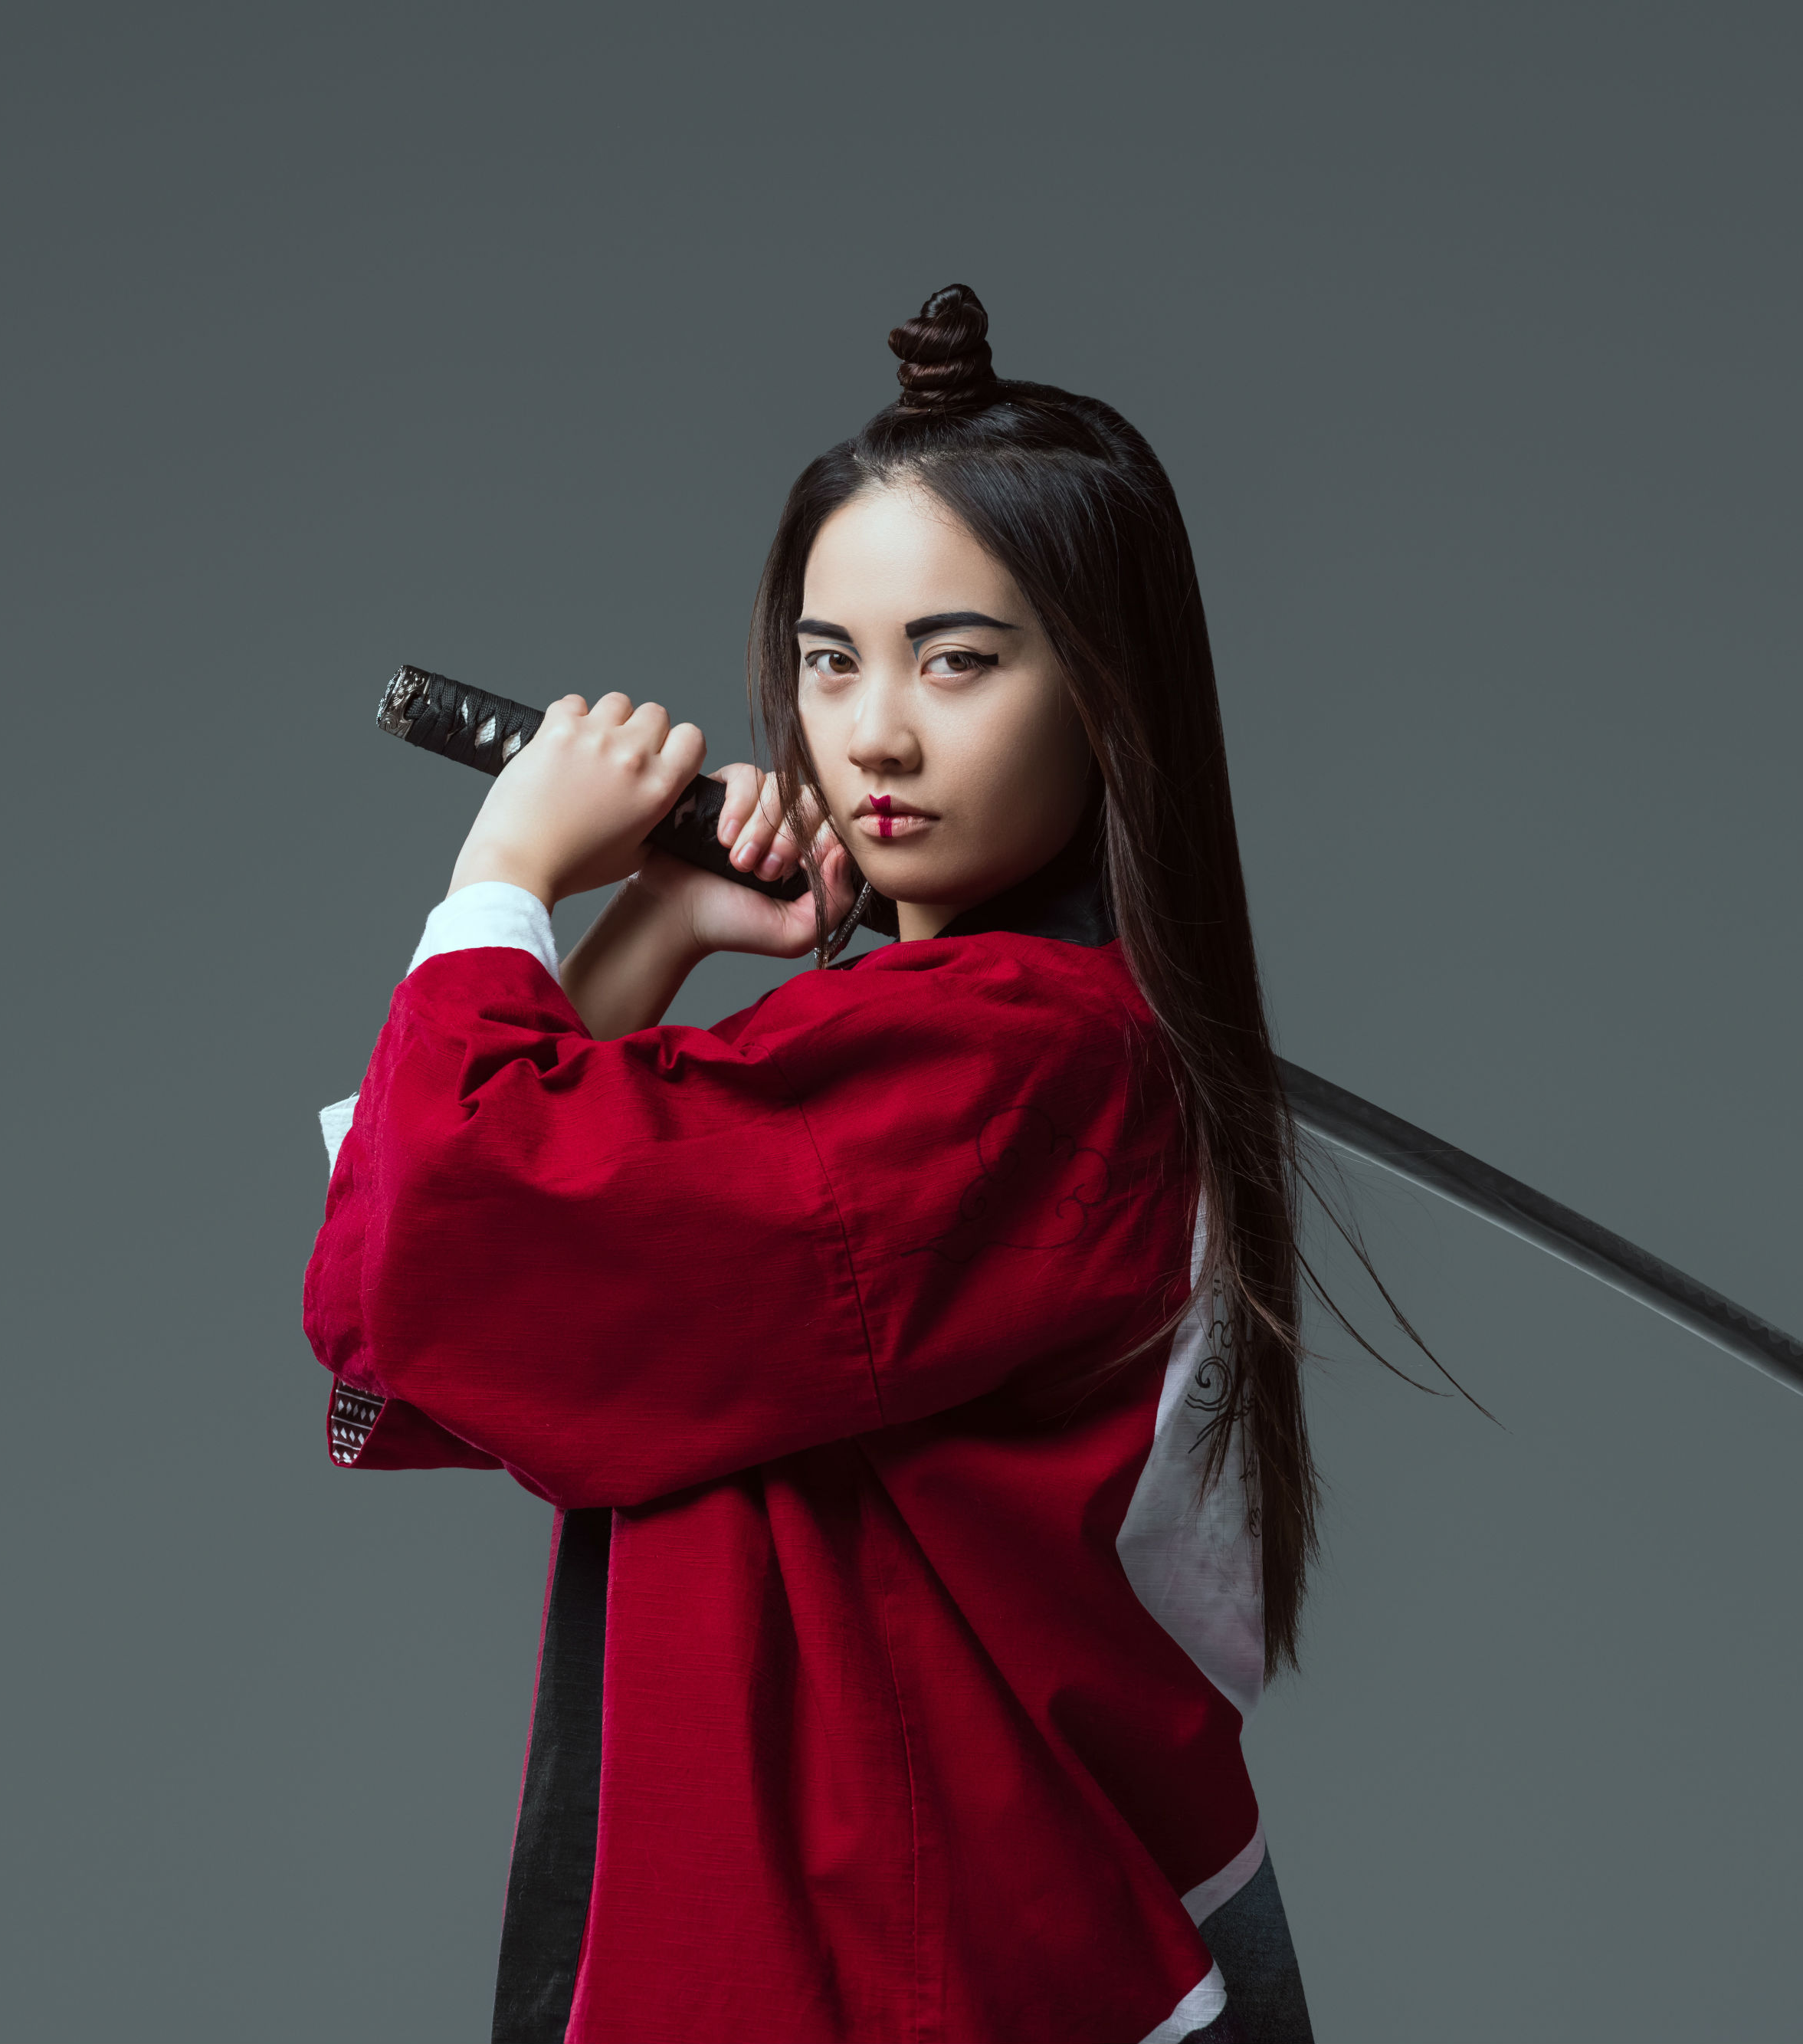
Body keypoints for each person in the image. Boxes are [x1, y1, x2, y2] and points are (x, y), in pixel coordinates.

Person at [307, 286, 1333, 2044]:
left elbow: (451, 1235)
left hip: (928, 1967)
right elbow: (424, 1278)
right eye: (829, 658)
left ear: (1105, 690)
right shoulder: (924, 1050)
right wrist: (659, 922)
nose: (872, 735)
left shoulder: (1002, 1061)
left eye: (958, 659)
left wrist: (506, 869)